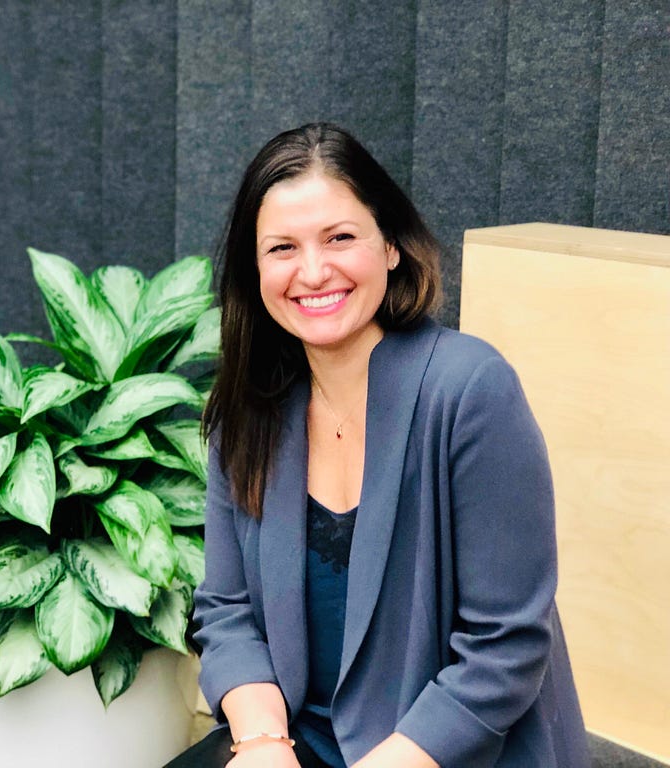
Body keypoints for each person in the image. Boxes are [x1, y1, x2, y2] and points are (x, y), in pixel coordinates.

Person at [165, 123, 590, 768]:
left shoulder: (470, 389)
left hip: (452, 753)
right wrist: (262, 743)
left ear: (390, 245)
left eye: (339, 238)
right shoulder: (248, 407)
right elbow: (226, 611)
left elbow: (504, 650)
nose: (313, 271)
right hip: (299, 739)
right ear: (255, 271)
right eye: (282, 248)